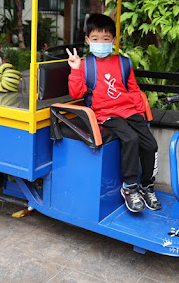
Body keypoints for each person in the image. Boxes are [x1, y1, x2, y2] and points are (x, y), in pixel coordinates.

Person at [67, 13, 161, 213]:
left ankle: (146, 185)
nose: (100, 43)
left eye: (105, 39)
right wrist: (75, 70)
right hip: (105, 114)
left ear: (114, 40)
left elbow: (134, 90)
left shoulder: (124, 63)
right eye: (95, 39)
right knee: (130, 139)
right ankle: (129, 187)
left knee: (150, 144)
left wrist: (141, 115)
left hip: (129, 111)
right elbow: (76, 93)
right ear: (87, 40)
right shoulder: (85, 65)